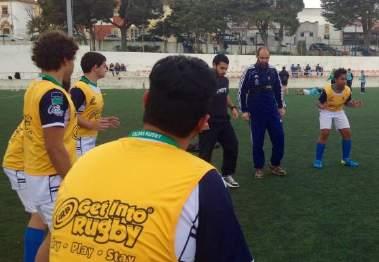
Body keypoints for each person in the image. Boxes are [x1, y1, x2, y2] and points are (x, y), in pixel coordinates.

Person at [49, 56, 253, 261]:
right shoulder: (203, 182)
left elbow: (47, 250)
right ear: (203, 123)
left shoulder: (83, 163)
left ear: (146, 101)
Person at [22, 31, 79, 262]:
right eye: (73, 59)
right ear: (65, 60)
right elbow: (54, 146)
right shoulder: (54, 95)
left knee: (56, 233)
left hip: (40, 174)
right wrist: (72, 178)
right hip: (50, 177)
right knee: (67, 235)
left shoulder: (36, 87)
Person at [2, 121, 47, 262]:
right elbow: (54, 146)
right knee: (41, 217)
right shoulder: (54, 104)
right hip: (22, 166)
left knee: (42, 217)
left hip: (27, 163)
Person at [238, 47, 286, 178]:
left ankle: (274, 165)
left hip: (272, 111)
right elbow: (242, 91)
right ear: (257, 57)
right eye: (262, 58)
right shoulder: (249, 71)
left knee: (279, 138)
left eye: (267, 58)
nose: (264, 60)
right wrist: (244, 110)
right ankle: (258, 167)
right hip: (256, 112)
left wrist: (281, 106)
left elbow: (278, 89)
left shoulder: (273, 70)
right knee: (258, 141)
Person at [199, 54, 240, 188]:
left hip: (223, 120)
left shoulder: (224, 80)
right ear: (214, 65)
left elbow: (225, 94)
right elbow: (198, 100)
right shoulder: (205, 81)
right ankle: (202, 181)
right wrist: (203, 120)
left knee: (232, 145)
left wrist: (232, 107)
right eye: (221, 68)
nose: (224, 71)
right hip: (209, 122)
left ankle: (227, 175)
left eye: (226, 69)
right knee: (205, 152)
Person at [70, 52, 120, 156]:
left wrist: (103, 121)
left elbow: (87, 113)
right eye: (104, 65)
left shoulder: (94, 88)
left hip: (89, 139)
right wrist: (90, 124)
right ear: (95, 67)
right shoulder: (79, 89)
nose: (106, 68)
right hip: (79, 140)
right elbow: (70, 114)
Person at [313, 68, 362, 169]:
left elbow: (347, 102)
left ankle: (346, 159)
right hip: (326, 111)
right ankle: (318, 160)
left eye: (345, 79)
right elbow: (318, 102)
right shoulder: (327, 90)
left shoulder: (347, 90)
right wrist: (321, 107)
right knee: (325, 133)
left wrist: (353, 104)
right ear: (335, 79)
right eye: (342, 79)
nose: (344, 81)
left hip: (339, 111)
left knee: (347, 133)